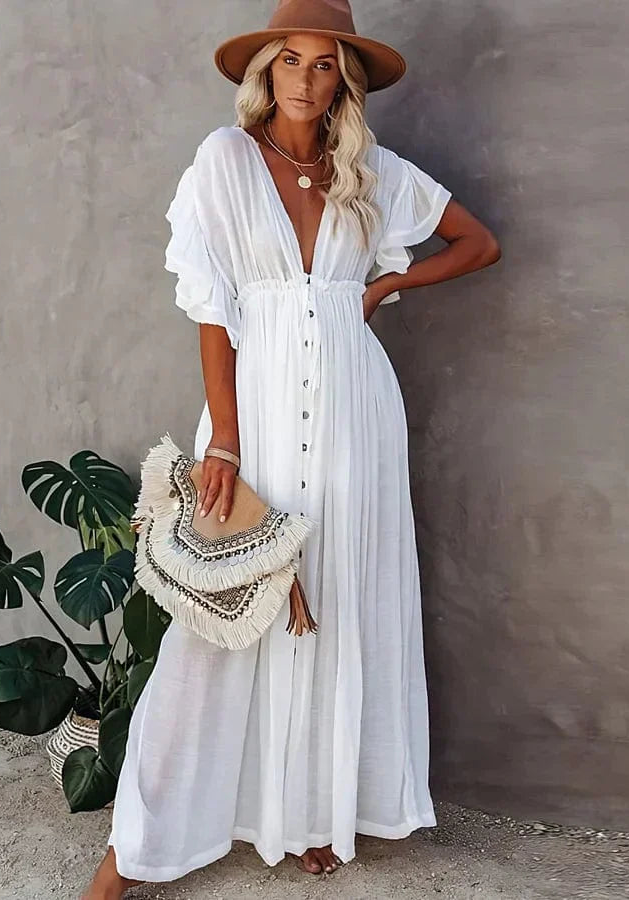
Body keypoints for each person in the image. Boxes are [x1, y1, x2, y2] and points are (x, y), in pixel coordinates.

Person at [83, 1, 500, 896]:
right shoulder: (224, 161)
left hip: (357, 408)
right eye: (291, 63)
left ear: (342, 79)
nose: (306, 83)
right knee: (227, 612)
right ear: (264, 71)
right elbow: (212, 311)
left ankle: (315, 813)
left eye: (324, 67)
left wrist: (388, 281)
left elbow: (478, 243)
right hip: (260, 404)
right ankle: (136, 849)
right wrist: (224, 440)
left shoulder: (371, 170)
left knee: (339, 598)